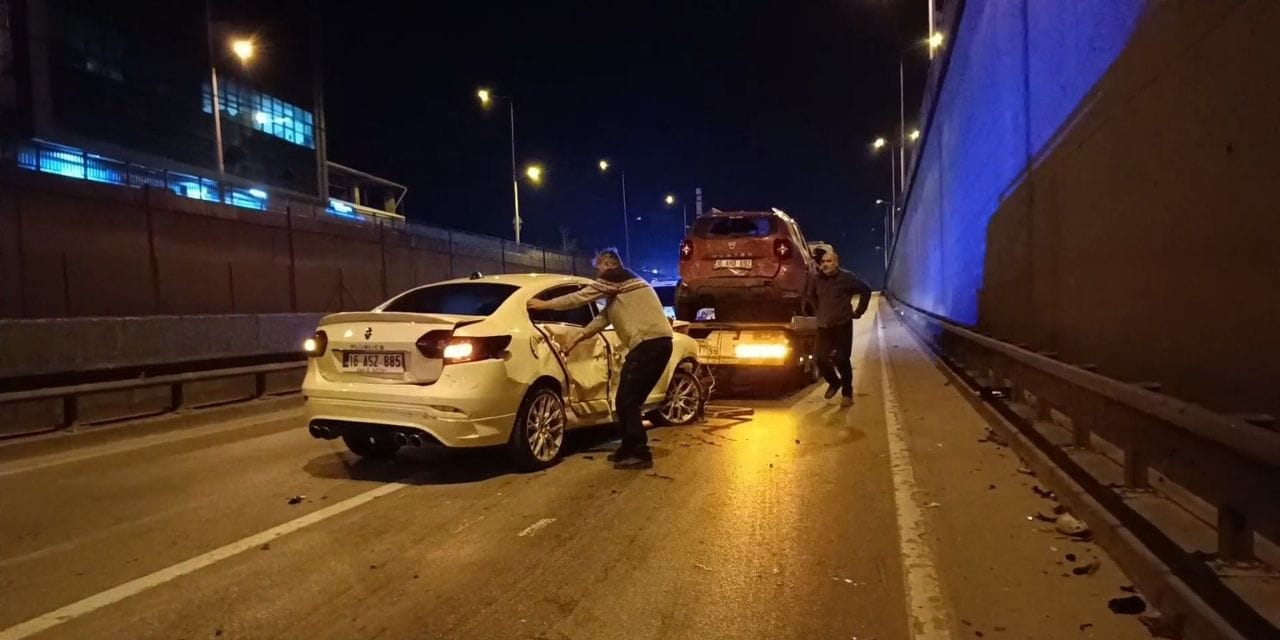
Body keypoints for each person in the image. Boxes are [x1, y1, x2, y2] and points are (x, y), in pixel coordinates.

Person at [528, 249, 673, 469]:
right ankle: (628, 448)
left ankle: (640, 454)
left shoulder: (616, 277)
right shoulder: (621, 291)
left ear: (607, 264)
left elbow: (579, 297)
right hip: (656, 345)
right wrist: (574, 341)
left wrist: (544, 305)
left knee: (627, 400)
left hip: (649, 345)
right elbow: (601, 320)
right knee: (626, 401)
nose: (597, 274)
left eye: (598, 268)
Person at [807, 249, 872, 406]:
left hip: (842, 324)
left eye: (829, 261)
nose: (825, 265)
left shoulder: (847, 277)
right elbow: (811, 296)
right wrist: (818, 311)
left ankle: (847, 394)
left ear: (836, 263)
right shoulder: (816, 279)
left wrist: (859, 311)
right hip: (824, 326)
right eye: (823, 262)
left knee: (842, 359)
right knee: (820, 359)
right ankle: (834, 382)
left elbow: (866, 290)